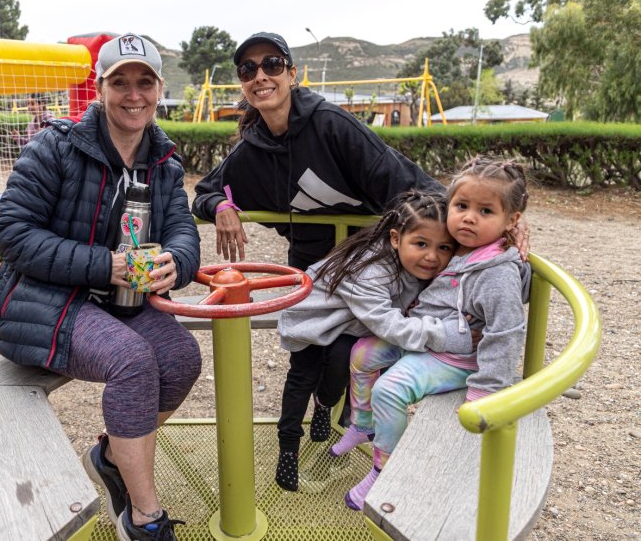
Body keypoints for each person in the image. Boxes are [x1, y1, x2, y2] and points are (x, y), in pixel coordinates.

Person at [191, 31, 445, 490]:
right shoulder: (253, 149)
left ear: (292, 72)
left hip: (368, 266)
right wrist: (222, 208)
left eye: (271, 64)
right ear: (242, 84)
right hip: (313, 269)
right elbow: (206, 190)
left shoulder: (331, 125)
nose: (261, 76)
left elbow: (413, 186)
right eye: (249, 69)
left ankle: (333, 417)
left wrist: (489, 235)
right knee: (305, 361)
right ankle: (291, 450)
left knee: (345, 358)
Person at [0, 33, 200, 541]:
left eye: (144, 83)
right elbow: (12, 233)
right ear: (99, 88)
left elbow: (182, 232)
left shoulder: (163, 161)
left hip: (122, 300)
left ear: (159, 88)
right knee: (132, 362)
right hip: (43, 303)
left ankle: (108, 457)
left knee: (182, 360)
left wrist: (180, 263)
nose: (134, 95)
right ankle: (143, 517)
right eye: (120, 82)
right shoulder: (56, 145)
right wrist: (104, 266)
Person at [344, 156, 531, 511]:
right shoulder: (463, 243)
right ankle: (363, 424)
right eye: (461, 206)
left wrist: (485, 391)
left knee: (390, 389)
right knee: (362, 353)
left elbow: (506, 333)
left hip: (457, 356)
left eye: (486, 211)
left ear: (512, 220)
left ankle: (383, 471)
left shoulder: (495, 271)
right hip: (432, 337)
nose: (469, 217)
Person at [276, 190, 478, 490]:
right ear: (396, 239)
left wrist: (509, 233)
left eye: (444, 247)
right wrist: (445, 334)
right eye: (421, 244)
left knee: (342, 369)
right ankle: (288, 450)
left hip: (353, 326)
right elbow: (391, 325)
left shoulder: (417, 263)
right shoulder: (370, 271)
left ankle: (324, 405)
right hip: (313, 325)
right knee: (302, 379)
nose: (432, 256)